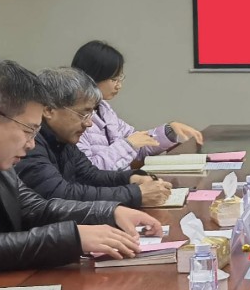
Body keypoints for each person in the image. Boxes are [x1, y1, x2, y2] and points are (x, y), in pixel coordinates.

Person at [0, 60, 148, 287]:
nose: (32, 144)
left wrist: (109, 212)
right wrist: (73, 238)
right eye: (28, 131)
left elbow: (37, 209)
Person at [18, 67, 176, 208]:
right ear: (49, 110)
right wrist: (135, 194)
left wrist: (132, 178)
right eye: (83, 114)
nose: (89, 123)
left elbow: (90, 175)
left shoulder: (62, 139)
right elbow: (61, 194)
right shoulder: (30, 144)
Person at [70, 39, 205, 172]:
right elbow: (89, 171)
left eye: (120, 78)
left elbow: (139, 145)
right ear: (91, 78)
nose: (119, 85)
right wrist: (128, 144)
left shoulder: (105, 111)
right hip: (108, 186)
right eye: (114, 79)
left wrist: (169, 131)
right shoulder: (74, 120)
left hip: (122, 183)